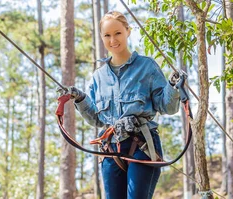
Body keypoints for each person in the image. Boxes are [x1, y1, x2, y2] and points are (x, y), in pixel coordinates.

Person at [60, 11, 187, 199]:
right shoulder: (98, 77)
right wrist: (80, 99)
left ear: (128, 31)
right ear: (102, 37)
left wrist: (173, 86)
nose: (113, 40)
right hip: (111, 149)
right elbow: (96, 119)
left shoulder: (147, 67)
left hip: (142, 145)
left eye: (118, 33)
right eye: (107, 35)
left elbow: (167, 107)